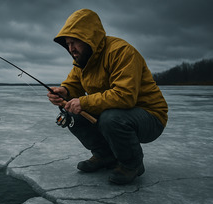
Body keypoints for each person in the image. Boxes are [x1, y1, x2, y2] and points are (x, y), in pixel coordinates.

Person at [47, 9, 168, 185]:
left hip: (150, 116)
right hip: (117, 113)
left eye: (75, 42)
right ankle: (105, 156)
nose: (71, 49)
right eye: (68, 44)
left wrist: (83, 101)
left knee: (111, 118)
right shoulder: (83, 62)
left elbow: (125, 96)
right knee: (73, 115)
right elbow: (73, 85)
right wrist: (64, 92)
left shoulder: (121, 51)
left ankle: (132, 164)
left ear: (89, 38)